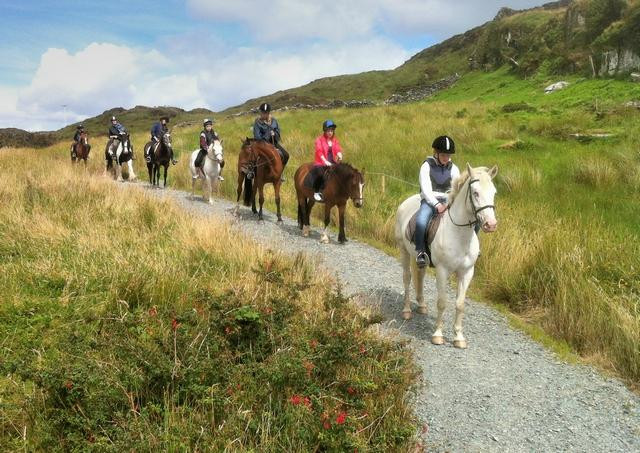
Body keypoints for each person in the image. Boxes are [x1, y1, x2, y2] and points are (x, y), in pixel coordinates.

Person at [415, 135, 461, 268]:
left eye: (448, 155)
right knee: (421, 221)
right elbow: (425, 189)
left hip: (448, 200)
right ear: (436, 153)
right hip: (430, 201)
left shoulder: (454, 168)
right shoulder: (426, 166)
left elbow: (456, 189)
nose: (446, 158)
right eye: (443, 155)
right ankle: (421, 251)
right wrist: (437, 205)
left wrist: (448, 203)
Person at [253, 102, 289, 180]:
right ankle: (252, 173)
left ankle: (280, 173)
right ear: (260, 112)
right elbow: (257, 137)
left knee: (286, 155)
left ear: (269, 112)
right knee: (252, 157)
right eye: (263, 112)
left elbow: (278, 133)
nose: (264, 114)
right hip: (262, 145)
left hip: (273, 143)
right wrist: (268, 134)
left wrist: (274, 134)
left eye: (266, 113)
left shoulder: (274, 121)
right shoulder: (257, 122)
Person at [311, 120, 343, 202]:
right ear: (325, 131)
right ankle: (316, 191)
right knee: (321, 174)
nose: (330, 132)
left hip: (332, 161)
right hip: (320, 162)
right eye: (328, 130)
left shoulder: (334, 140)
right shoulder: (319, 140)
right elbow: (319, 151)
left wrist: (339, 154)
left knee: (341, 171)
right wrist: (325, 161)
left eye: (331, 130)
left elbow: (337, 148)